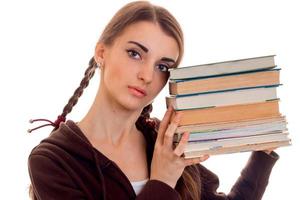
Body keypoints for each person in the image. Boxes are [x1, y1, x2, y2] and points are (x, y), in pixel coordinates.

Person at [27, 1, 279, 199]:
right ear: (101, 52)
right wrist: (162, 181)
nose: (147, 76)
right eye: (134, 53)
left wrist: (262, 153)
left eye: (162, 66)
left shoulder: (165, 142)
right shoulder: (52, 161)